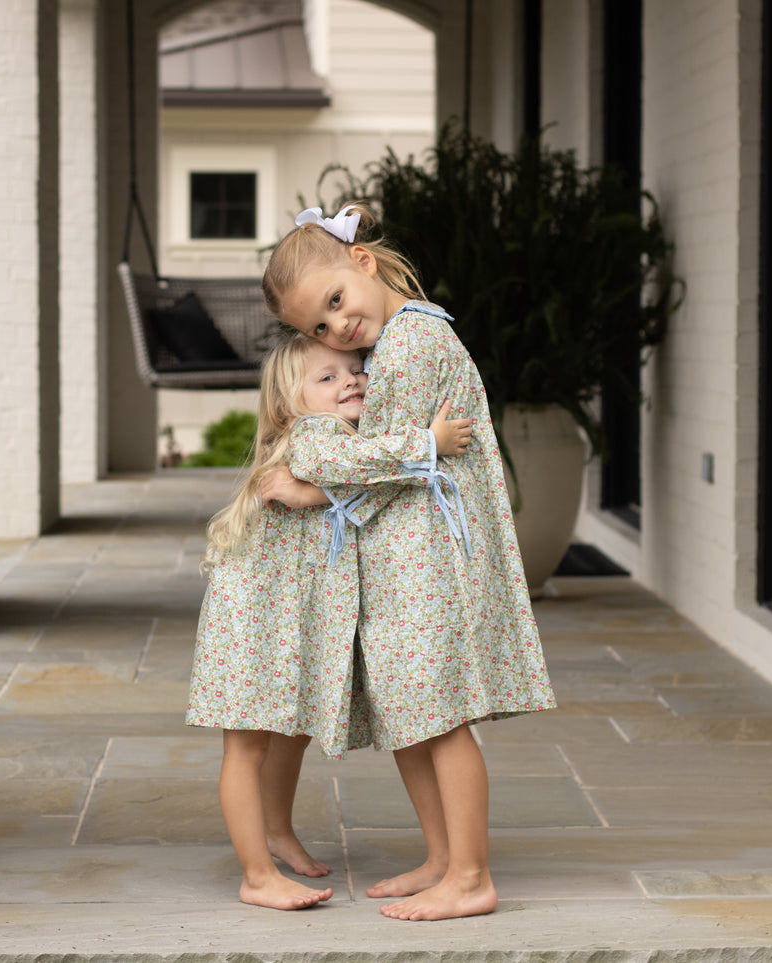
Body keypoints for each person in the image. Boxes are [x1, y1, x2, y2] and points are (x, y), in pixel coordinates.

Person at [259, 203, 556, 921]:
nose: (336, 330)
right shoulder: (395, 340)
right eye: (317, 330)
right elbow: (386, 461)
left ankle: (472, 874)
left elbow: (379, 462)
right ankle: (442, 856)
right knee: (414, 716)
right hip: (405, 556)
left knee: (443, 718)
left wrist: (306, 490)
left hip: (432, 558)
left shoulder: (411, 344)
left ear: (361, 263)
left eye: (335, 303)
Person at [187, 332, 474, 911]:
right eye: (327, 377)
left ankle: (275, 833)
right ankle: (256, 875)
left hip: (283, 616)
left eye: (355, 369)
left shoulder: (330, 436)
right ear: (286, 404)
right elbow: (351, 467)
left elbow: (351, 487)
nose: (350, 381)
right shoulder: (315, 436)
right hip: (257, 620)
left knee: (288, 731)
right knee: (245, 746)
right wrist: (429, 442)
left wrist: (315, 495)